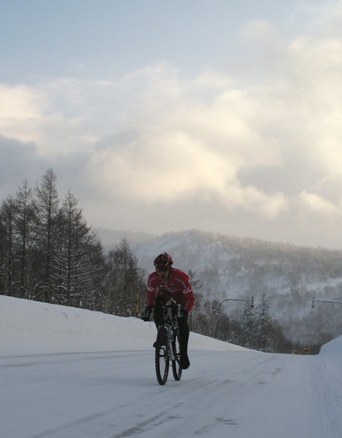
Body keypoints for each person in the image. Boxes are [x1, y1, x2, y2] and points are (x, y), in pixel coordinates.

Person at [142, 252, 195, 370]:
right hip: (164, 293)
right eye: (159, 270)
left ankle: (183, 353)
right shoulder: (153, 278)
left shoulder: (181, 277)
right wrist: (148, 308)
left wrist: (185, 311)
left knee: (181, 320)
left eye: (164, 270)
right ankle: (162, 336)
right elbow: (150, 296)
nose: (161, 273)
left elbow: (190, 298)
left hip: (180, 295)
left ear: (170, 268)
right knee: (157, 307)